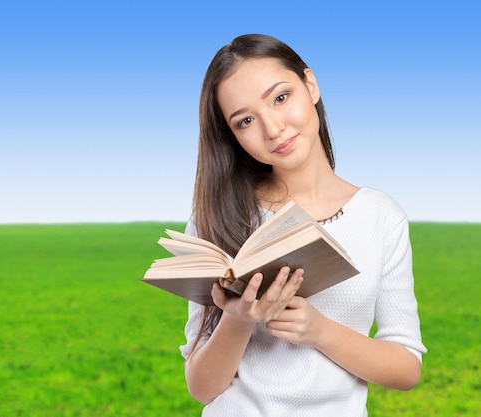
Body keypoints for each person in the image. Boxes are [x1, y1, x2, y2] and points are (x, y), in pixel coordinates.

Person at [179, 34, 427, 416]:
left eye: (280, 98)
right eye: (245, 121)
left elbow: (406, 367)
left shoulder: (380, 215)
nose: (273, 128)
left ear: (310, 85)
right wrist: (239, 319)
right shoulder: (219, 217)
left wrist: (319, 331)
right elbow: (202, 388)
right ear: (232, 135)